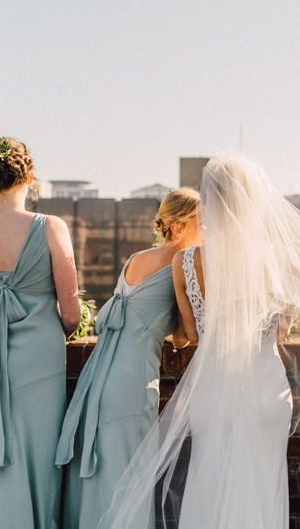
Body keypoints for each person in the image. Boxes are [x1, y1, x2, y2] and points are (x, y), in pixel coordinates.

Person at [98, 151, 300, 528]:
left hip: (212, 387)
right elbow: (287, 324)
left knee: (208, 486)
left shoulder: (186, 262)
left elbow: (190, 334)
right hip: (265, 386)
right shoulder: (276, 259)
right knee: (263, 489)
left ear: (210, 201)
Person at [0, 137, 81, 528]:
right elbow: (71, 311)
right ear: (31, 178)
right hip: (40, 354)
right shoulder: (50, 227)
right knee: (35, 451)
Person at [56, 188, 201, 527]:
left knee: (102, 475)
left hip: (100, 378)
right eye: (200, 220)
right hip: (134, 381)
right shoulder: (183, 262)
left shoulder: (136, 259)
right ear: (179, 225)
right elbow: (186, 335)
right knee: (130, 477)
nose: (205, 227)